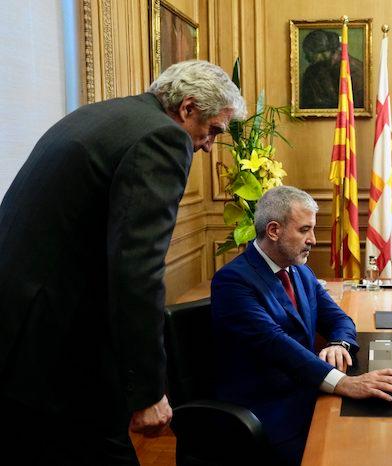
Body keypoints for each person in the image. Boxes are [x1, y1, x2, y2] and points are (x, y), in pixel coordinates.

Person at [0, 60, 246, 464]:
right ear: (187, 108)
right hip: (56, 351)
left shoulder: (103, 114)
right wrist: (148, 391)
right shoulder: (163, 138)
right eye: (213, 130)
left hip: (21, 331)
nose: (208, 145)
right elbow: (138, 270)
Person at [211, 186, 392, 465]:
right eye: (304, 230)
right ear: (274, 230)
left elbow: (340, 319)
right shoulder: (233, 281)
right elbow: (275, 343)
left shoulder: (300, 270)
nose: (313, 240)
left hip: (308, 389)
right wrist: (345, 384)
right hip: (267, 410)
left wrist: (339, 343)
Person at [300, 29, 364, 109]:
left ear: (322, 51)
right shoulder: (312, 72)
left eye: (308, 52)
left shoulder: (355, 70)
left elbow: (355, 107)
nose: (306, 57)